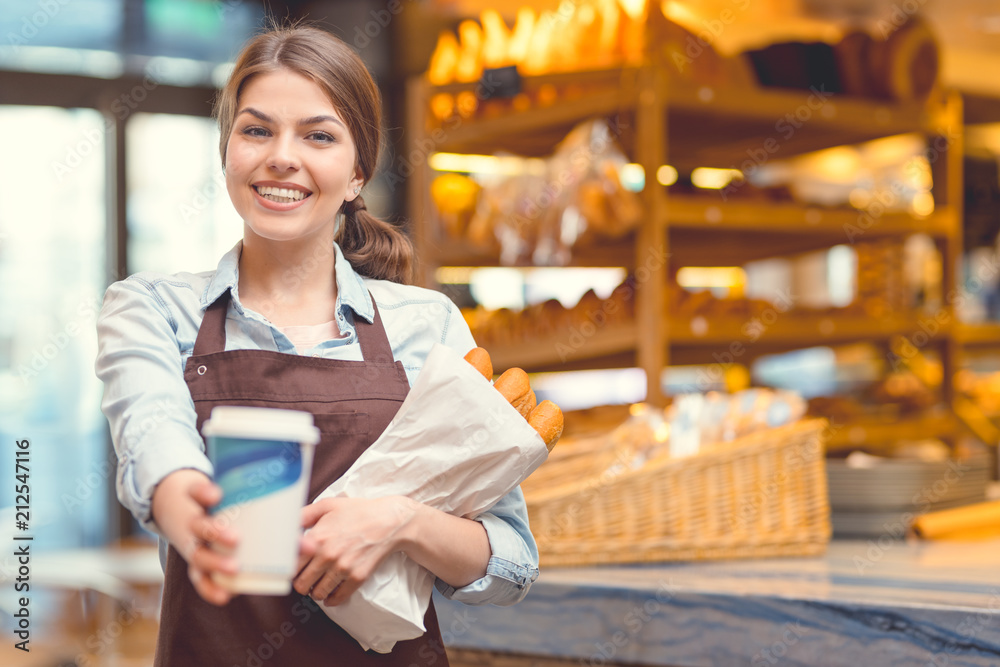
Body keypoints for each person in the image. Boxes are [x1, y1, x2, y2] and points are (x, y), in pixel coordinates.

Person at [96, 23, 538, 666]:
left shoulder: (428, 326)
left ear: (357, 173)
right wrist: (181, 499)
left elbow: (512, 565)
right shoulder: (153, 309)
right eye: (256, 130)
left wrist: (400, 521)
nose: (282, 155)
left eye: (318, 135)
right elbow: (151, 431)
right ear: (227, 153)